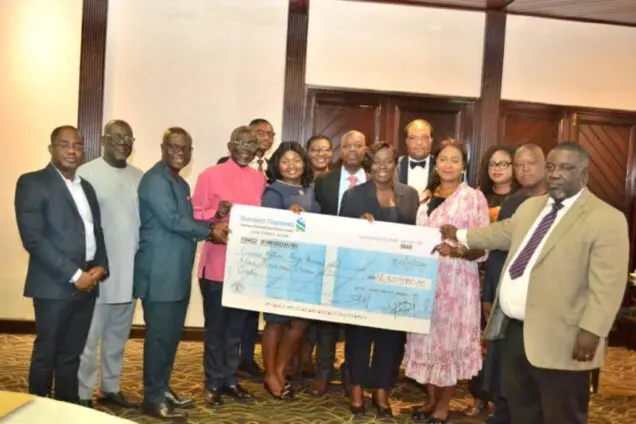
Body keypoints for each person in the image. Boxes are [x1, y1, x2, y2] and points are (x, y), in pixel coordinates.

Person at [439, 142, 629, 424]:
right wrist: (461, 234)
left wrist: (593, 331)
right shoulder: (532, 207)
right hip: (516, 333)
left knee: (560, 413)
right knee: (522, 409)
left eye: (566, 168)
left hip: (565, 337)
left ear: (585, 174)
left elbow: (609, 284)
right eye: (551, 167)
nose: (555, 174)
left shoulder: (606, 219)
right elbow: (500, 233)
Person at [14, 125, 108, 403]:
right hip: (54, 286)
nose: (71, 150)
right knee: (47, 354)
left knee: (71, 354)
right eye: (64, 144)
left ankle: (67, 409)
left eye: (77, 145)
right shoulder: (32, 183)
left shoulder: (87, 187)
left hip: (87, 285)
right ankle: (38, 412)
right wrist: (75, 274)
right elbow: (33, 239)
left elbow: (95, 231)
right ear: (51, 149)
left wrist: (100, 267)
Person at [403, 137, 489, 424]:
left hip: (456, 283)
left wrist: (457, 249)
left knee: (449, 343)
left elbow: (484, 246)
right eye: (443, 159)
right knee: (424, 339)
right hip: (424, 281)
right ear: (435, 163)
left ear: (463, 165)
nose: (448, 164)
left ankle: (443, 404)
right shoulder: (425, 196)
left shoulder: (473, 197)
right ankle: (429, 399)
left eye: (455, 159)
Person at [135, 127, 217, 420]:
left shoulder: (180, 184)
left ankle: (163, 387)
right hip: (159, 275)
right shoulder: (154, 180)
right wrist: (211, 231)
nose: (180, 153)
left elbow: (187, 219)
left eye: (186, 148)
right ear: (163, 147)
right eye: (174, 147)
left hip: (177, 274)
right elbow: (171, 221)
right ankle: (152, 398)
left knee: (170, 337)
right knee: (159, 338)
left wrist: (216, 217)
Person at [340, 142, 419, 419]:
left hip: (396, 279)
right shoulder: (352, 196)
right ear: (368, 165)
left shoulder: (410, 195)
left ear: (396, 164)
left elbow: (416, 236)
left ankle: (382, 391)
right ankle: (358, 389)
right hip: (362, 277)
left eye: (388, 162)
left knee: (391, 337)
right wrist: (357, 226)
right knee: (359, 335)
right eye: (376, 162)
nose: (382, 167)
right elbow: (341, 236)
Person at [191, 125, 266, 408]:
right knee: (216, 330)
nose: (246, 148)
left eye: (252, 143)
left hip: (245, 268)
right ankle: (212, 383)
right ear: (230, 145)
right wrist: (216, 213)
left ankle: (230, 380)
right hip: (216, 265)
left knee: (236, 331)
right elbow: (196, 216)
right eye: (241, 142)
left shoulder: (259, 179)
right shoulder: (209, 175)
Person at [76, 120, 142, 409]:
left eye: (128, 138)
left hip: (130, 273)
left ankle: (110, 389)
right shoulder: (85, 174)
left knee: (117, 337)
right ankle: (82, 393)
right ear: (103, 139)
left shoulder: (140, 176)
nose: (122, 142)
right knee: (89, 339)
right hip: (98, 273)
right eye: (116, 137)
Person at [480, 144, 547, 424]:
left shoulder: (558, 201)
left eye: (530, 163)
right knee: (505, 364)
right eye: (518, 165)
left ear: (545, 165)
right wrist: (490, 295)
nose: (524, 170)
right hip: (509, 297)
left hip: (544, 300)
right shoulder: (513, 202)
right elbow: (497, 251)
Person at [260, 142, 321, 400]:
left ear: (304, 163)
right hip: (280, 266)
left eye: (297, 159)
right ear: (277, 164)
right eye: (285, 161)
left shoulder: (310, 189)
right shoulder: (273, 191)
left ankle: (281, 369)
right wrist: (287, 216)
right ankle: (271, 374)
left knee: (300, 322)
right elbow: (267, 226)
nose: (292, 165)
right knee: (276, 322)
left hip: (306, 266)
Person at [310, 130, 368, 396]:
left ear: (365, 149)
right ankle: (324, 370)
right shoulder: (324, 182)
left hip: (364, 262)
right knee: (327, 320)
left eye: (358, 145)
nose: (353, 150)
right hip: (330, 258)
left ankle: (350, 371)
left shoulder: (378, 182)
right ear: (340, 151)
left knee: (357, 321)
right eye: (347, 145)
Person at [395, 119, 436, 200]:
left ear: (431, 141)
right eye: (413, 138)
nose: (419, 142)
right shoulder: (395, 166)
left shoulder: (441, 167)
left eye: (424, 137)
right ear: (406, 141)